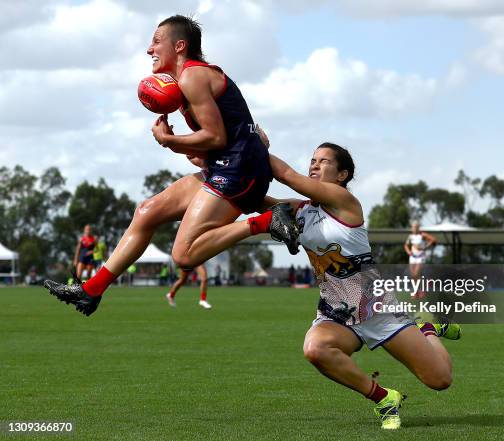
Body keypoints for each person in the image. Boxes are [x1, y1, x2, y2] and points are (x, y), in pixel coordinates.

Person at [43, 15, 299, 316]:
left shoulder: (192, 76)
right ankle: (92, 290)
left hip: (239, 168)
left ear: (179, 46)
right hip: (230, 165)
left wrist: (169, 141)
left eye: (156, 41)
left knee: (184, 255)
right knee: (146, 212)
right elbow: (219, 139)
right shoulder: (184, 83)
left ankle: (268, 221)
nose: (149, 49)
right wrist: (186, 147)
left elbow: (215, 136)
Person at [265, 143, 461, 430]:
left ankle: (428, 326)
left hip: (376, 307)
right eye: (312, 160)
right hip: (336, 312)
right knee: (315, 349)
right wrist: (216, 170)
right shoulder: (302, 210)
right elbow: (255, 200)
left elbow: (286, 175)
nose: (315, 165)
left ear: (342, 174)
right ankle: (385, 399)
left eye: (324, 161)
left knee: (440, 379)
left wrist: (250, 141)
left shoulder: (345, 201)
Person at [403, 222, 437, 297]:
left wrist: (425, 247)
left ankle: (421, 289)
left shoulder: (422, 235)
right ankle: (415, 292)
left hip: (420, 257)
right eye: (413, 227)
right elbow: (406, 245)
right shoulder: (410, 236)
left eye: (415, 227)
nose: (414, 228)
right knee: (413, 275)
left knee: (417, 274)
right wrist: (409, 252)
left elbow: (433, 240)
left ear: (418, 228)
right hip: (412, 257)